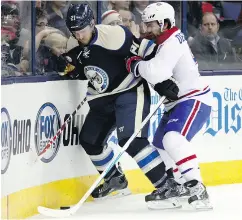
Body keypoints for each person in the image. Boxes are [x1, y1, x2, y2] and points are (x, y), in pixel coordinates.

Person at [56, 3, 175, 201]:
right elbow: (78, 72)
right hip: (101, 99)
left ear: (92, 23)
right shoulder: (72, 44)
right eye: (74, 31)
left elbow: (147, 50)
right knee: (90, 141)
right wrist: (65, 68)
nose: (79, 35)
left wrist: (161, 80)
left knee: (132, 140)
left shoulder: (114, 36)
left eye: (82, 29)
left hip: (129, 91)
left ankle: (166, 185)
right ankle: (115, 179)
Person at [126, 2, 213, 210]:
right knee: (160, 147)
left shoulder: (172, 41)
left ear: (165, 24)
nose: (146, 29)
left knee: (172, 138)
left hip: (194, 99)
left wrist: (136, 65)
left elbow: (156, 72)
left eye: (151, 25)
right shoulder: (164, 40)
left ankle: (198, 188)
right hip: (176, 102)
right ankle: (177, 187)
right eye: (145, 24)